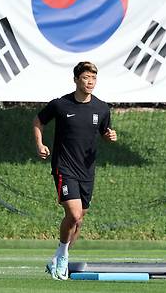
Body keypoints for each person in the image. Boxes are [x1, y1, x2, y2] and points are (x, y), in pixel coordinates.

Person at [33, 61, 117, 281]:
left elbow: (104, 132)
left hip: (87, 171)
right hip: (64, 167)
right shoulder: (61, 105)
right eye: (86, 78)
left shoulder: (101, 107)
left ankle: (59, 257)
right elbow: (38, 121)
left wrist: (110, 137)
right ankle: (62, 256)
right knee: (74, 213)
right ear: (76, 80)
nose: (90, 82)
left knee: (79, 221)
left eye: (93, 78)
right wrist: (40, 144)